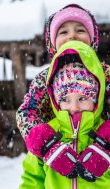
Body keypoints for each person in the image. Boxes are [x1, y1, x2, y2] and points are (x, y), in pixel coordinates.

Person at [16, 3, 110, 154]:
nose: (72, 35)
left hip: (100, 153)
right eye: (63, 32)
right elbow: (27, 111)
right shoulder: (44, 79)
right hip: (58, 152)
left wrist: (106, 141)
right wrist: (46, 144)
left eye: (80, 30)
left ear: (93, 39)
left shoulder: (106, 74)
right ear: (52, 43)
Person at [19, 41, 110, 189]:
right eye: (66, 100)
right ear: (55, 101)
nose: (74, 107)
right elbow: (32, 180)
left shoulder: (104, 135)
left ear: (96, 98)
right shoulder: (47, 136)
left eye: (82, 98)